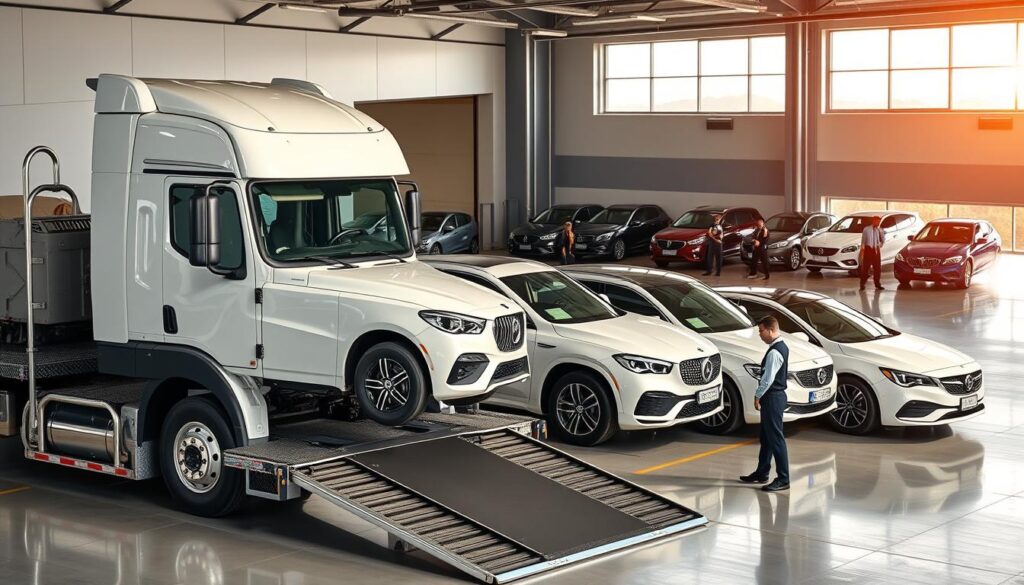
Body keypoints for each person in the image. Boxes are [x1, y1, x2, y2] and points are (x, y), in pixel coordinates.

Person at [739, 315, 790, 492]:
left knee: (776, 439)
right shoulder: (780, 347)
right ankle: (762, 473)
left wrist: (757, 395)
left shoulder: (775, 352)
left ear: (770, 330)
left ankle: (783, 478)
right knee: (767, 438)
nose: (760, 334)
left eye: (761, 331)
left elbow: (768, 379)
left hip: (772, 397)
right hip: (775, 396)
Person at [860, 216, 885, 291]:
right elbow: (863, 241)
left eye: (879, 222)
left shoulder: (880, 230)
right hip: (868, 249)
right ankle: (862, 284)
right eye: (876, 221)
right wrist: (862, 251)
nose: (878, 223)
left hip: (876, 250)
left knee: (877, 268)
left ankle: (877, 284)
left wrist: (880, 245)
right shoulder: (866, 229)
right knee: (865, 268)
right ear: (873, 221)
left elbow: (883, 239)